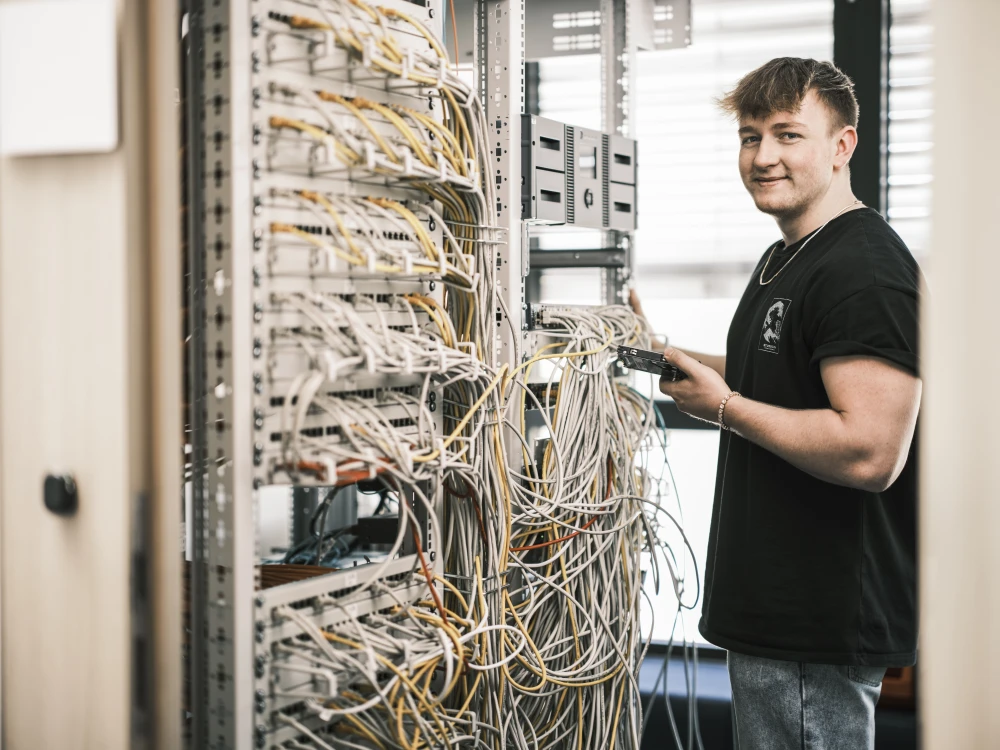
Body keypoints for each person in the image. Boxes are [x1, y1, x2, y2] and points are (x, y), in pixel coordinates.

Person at [630, 57, 922, 749]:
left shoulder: (864, 268)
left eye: (788, 135)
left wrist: (723, 407)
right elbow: (780, 372)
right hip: (775, 616)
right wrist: (663, 351)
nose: (763, 157)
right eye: (749, 136)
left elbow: (870, 450)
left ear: (841, 146)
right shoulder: (789, 256)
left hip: (812, 626)